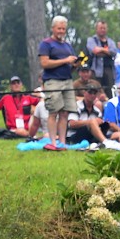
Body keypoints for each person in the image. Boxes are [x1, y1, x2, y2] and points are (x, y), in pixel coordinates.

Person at [38, 16, 80, 151]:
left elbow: (70, 65)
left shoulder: (68, 45)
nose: (61, 31)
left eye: (63, 29)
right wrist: (65, 60)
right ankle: (52, 142)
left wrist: (76, 64)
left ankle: (62, 142)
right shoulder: (46, 44)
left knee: (65, 113)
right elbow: (44, 63)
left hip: (67, 81)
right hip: (53, 81)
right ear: (53, 28)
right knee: (53, 112)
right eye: (59, 28)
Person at [66, 83, 114, 148]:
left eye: (94, 93)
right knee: (92, 122)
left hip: (90, 136)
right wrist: (90, 122)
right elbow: (71, 124)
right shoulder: (76, 106)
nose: (92, 95)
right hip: (74, 136)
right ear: (84, 93)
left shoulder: (97, 111)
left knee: (106, 126)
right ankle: (106, 142)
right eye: (90, 92)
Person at [86, 20, 116, 92]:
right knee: (95, 91)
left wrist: (101, 50)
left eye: (104, 28)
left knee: (109, 91)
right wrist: (106, 51)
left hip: (109, 70)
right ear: (96, 29)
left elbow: (114, 52)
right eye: (101, 28)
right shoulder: (91, 40)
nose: (102, 30)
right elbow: (95, 51)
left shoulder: (111, 41)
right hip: (96, 71)